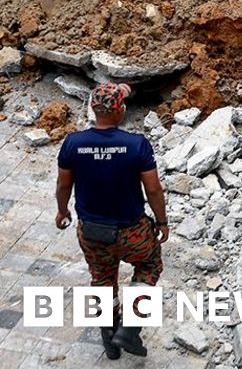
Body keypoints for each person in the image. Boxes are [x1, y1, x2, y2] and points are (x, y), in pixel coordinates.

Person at [55, 82, 168, 359]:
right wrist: (162, 221)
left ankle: (108, 336)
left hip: (92, 231)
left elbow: (63, 185)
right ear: (121, 112)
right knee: (149, 265)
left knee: (102, 279)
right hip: (133, 231)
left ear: (93, 109)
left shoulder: (73, 143)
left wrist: (62, 210)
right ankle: (129, 328)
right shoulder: (136, 145)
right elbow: (153, 189)